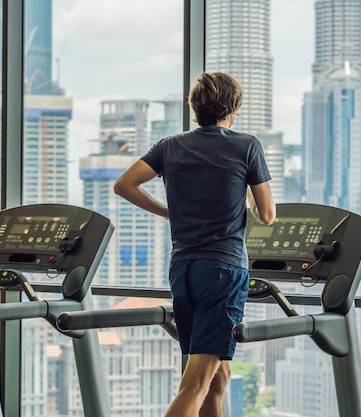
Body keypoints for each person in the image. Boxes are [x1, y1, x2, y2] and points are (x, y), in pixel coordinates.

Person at [114, 71, 276, 417]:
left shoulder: (169, 146)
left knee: (216, 379)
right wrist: (244, 188)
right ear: (232, 108)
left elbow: (124, 184)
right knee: (195, 386)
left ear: (195, 108)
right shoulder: (246, 145)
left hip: (183, 271)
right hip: (223, 272)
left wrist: (169, 213)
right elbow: (266, 214)